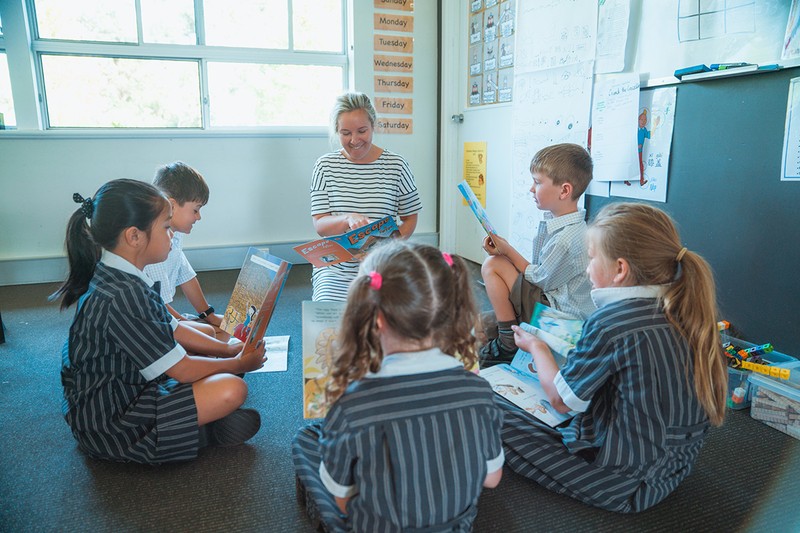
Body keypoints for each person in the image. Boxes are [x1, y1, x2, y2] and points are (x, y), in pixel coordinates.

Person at [500, 202, 727, 513]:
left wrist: (538, 347)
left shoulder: (611, 322)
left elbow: (561, 401)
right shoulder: (691, 313)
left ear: (620, 269)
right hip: (672, 471)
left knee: (483, 405)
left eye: (591, 259)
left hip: (621, 485)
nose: (588, 268)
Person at [292, 241, 504, 532]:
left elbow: (341, 498)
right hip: (456, 526)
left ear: (375, 318)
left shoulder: (354, 404)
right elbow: (491, 479)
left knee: (306, 440)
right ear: (451, 313)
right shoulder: (479, 391)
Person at [52, 179, 267, 464]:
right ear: (134, 237)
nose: (172, 236)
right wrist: (239, 363)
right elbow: (182, 369)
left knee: (214, 346)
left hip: (126, 384)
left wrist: (229, 351)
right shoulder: (125, 296)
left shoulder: (122, 275)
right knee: (232, 388)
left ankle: (201, 422)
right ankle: (204, 433)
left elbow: (174, 329)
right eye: (166, 228)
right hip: (112, 424)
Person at [479, 143, 595, 363]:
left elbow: (540, 279)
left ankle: (507, 342)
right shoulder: (562, 226)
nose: (532, 189)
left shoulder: (566, 239)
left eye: (538, 182)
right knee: (500, 263)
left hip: (562, 320)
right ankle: (506, 331)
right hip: (553, 299)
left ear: (564, 190)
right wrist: (505, 253)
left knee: (492, 265)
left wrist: (508, 251)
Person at [309, 92, 422, 302]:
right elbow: (320, 223)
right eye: (345, 133)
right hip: (336, 267)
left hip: (382, 263)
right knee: (329, 318)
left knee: (397, 317)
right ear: (336, 131)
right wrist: (347, 218)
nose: (354, 140)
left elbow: (409, 218)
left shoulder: (397, 165)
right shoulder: (324, 166)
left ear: (373, 126)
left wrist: (384, 250)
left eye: (362, 131)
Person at [142, 162, 238, 358]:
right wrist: (186, 326)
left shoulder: (174, 234)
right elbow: (157, 303)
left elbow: (186, 275)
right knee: (211, 336)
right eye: (195, 210)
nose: (199, 217)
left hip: (166, 317)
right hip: (154, 322)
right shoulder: (154, 244)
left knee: (221, 332)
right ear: (171, 205)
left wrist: (208, 316)